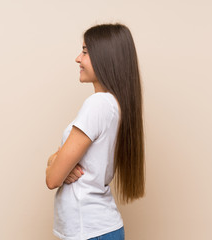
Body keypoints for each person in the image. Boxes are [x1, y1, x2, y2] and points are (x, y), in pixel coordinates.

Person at [45, 23, 145, 240]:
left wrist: (55, 164)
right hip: (95, 230)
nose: (78, 59)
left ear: (105, 57)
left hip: (91, 231)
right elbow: (61, 168)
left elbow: (52, 179)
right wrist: (57, 161)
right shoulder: (112, 104)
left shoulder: (98, 104)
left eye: (85, 52)